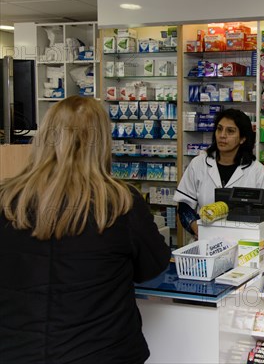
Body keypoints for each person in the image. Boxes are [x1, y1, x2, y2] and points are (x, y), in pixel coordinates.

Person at [0, 96, 171, 364]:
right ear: (102, 142)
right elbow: (153, 267)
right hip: (103, 351)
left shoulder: (8, 199)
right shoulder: (119, 203)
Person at [174, 108, 264, 236]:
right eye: (219, 129)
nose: (222, 135)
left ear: (243, 138)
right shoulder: (198, 164)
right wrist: (198, 230)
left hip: (244, 246)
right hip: (204, 243)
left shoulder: (257, 171)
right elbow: (184, 206)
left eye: (230, 131)